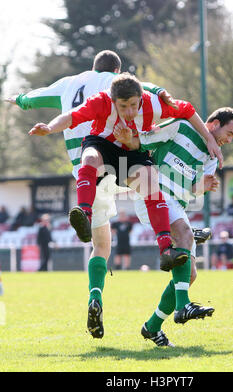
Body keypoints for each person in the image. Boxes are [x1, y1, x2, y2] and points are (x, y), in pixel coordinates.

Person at [7, 50, 217, 339]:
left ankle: (160, 249)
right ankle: (85, 213)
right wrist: (51, 127)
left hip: (107, 166)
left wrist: (19, 100)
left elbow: (37, 99)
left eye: (134, 105)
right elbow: (74, 116)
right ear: (115, 81)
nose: (130, 111)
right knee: (106, 163)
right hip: (104, 154)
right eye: (124, 106)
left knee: (105, 239)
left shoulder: (75, 84)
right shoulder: (106, 99)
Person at [114, 106, 233, 346]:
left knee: (189, 274)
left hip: (177, 204)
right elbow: (141, 143)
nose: (228, 140)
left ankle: (151, 327)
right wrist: (128, 138)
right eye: (229, 132)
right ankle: (183, 306)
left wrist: (200, 188)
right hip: (154, 195)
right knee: (185, 235)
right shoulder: (181, 126)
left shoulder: (211, 157)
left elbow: (191, 191)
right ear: (214, 123)